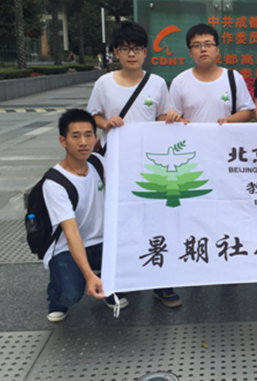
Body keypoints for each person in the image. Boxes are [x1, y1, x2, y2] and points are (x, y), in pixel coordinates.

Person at [86, 21, 181, 309]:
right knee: (121, 223)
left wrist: (171, 118)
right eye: (125, 49)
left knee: (155, 221)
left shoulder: (157, 83)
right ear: (116, 52)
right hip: (116, 166)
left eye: (137, 48)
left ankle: (161, 283)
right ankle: (118, 281)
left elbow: (161, 116)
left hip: (150, 165)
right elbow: (92, 117)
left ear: (145, 52)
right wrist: (106, 122)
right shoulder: (104, 84)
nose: (131, 54)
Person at [44, 109, 127, 322]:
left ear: (95, 138)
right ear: (63, 141)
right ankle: (57, 295)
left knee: (138, 258)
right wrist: (89, 275)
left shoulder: (98, 163)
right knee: (70, 293)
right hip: (67, 247)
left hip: (102, 242)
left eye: (88, 135)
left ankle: (108, 286)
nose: (83, 142)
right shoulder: (55, 183)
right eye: (76, 136)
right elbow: (71, 232)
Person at [166, 24, 255, 124]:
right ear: (190, 52)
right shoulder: (179, 82)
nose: (203, 49)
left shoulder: (233, 77)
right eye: (197, 46)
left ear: (217, 49)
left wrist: (227, 121)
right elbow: (173, 114)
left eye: (208, 44)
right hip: (192, 134)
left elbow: (247, 111)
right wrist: (179, 120)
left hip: (225, 134)